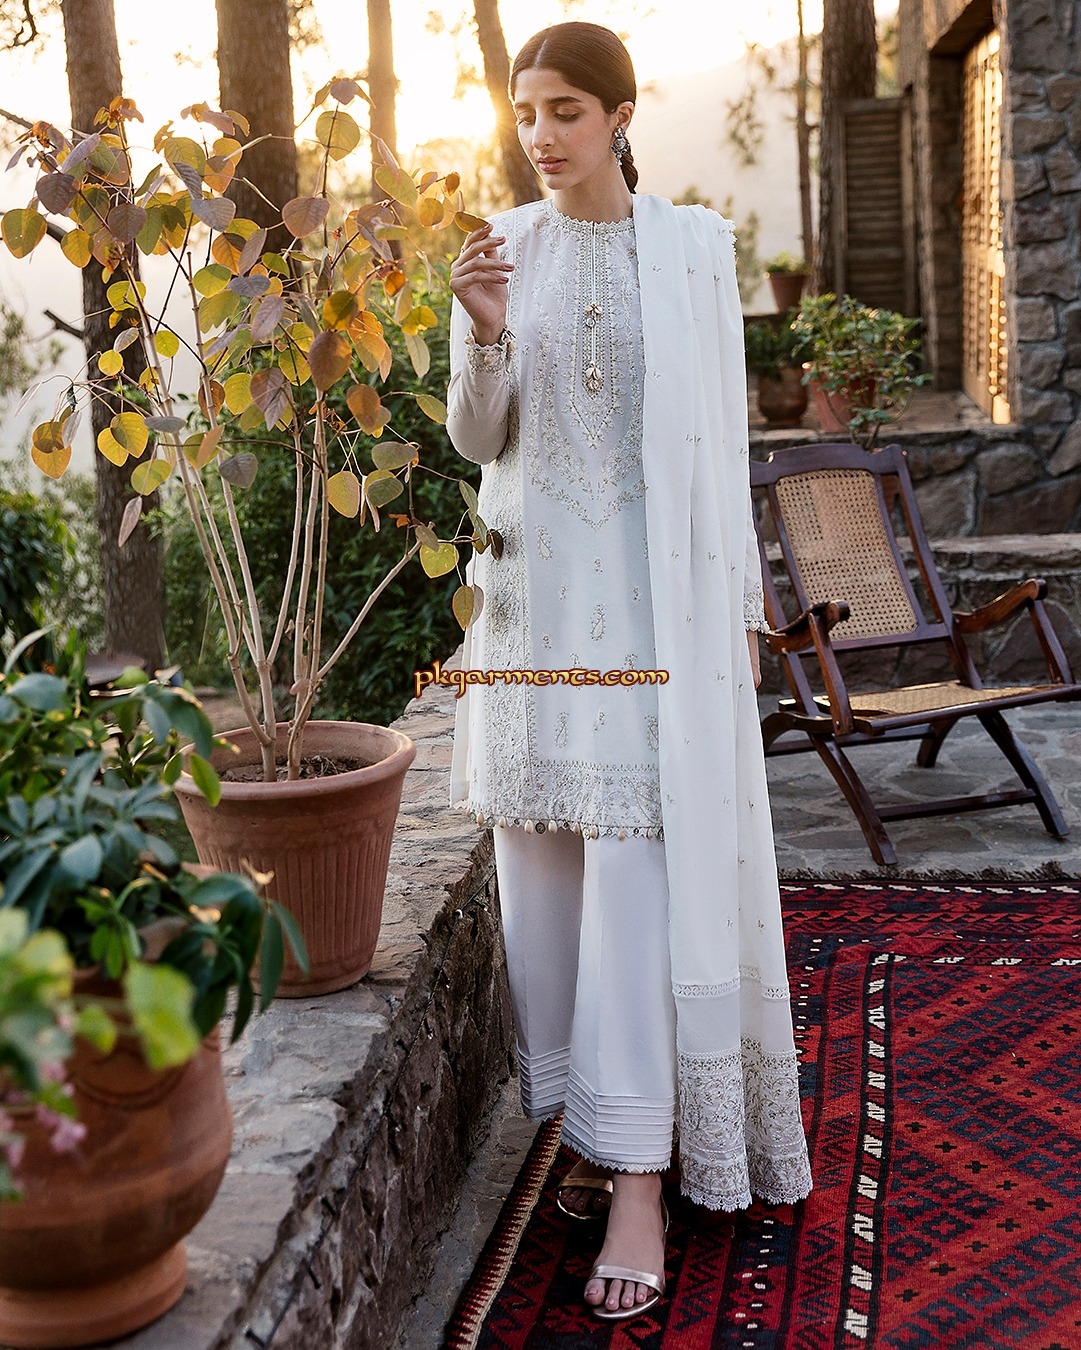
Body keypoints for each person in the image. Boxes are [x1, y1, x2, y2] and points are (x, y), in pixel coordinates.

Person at [445, 20, 812, 1323]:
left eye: (565, 109)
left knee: (641, 882)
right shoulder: (500, 249)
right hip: (533, 620)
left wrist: (739, 613)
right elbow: (475, 438)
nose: (541, 135)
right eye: (525, 111)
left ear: (618, 114)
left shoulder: (695, 251)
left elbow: (723, 449)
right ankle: (593, 1130)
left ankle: (643, 1176)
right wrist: (485, 330)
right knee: (545, 881)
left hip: (654, 628)